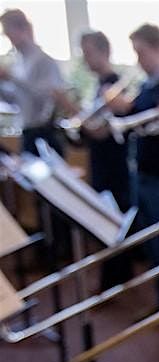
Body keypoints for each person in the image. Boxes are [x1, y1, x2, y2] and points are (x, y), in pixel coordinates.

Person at [107, 23, 159, 303]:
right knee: (151, 244)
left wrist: (128, 110)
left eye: (142, 52)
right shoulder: (145, 86)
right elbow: (136, 126)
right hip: (140, 172)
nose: (138, 59)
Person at [72, 29, 133, 289]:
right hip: (102, 164)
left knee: (113, 224)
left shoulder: (113, 84)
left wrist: (70, 108)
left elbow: (101, 130)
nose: (85, 60)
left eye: (88, 53)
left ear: (103, 51)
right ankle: (113, 279)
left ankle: (116, 280)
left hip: (114, 166)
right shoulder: (100, 85)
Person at [0, 8, 66, 156]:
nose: (9, 38)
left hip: (45, 133)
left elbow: (46, 95)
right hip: (27, 132)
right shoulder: (17, 63)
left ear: (23, 28)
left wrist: (12, 78)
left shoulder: (44, 60)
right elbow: (16, 101)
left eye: (10, 32)